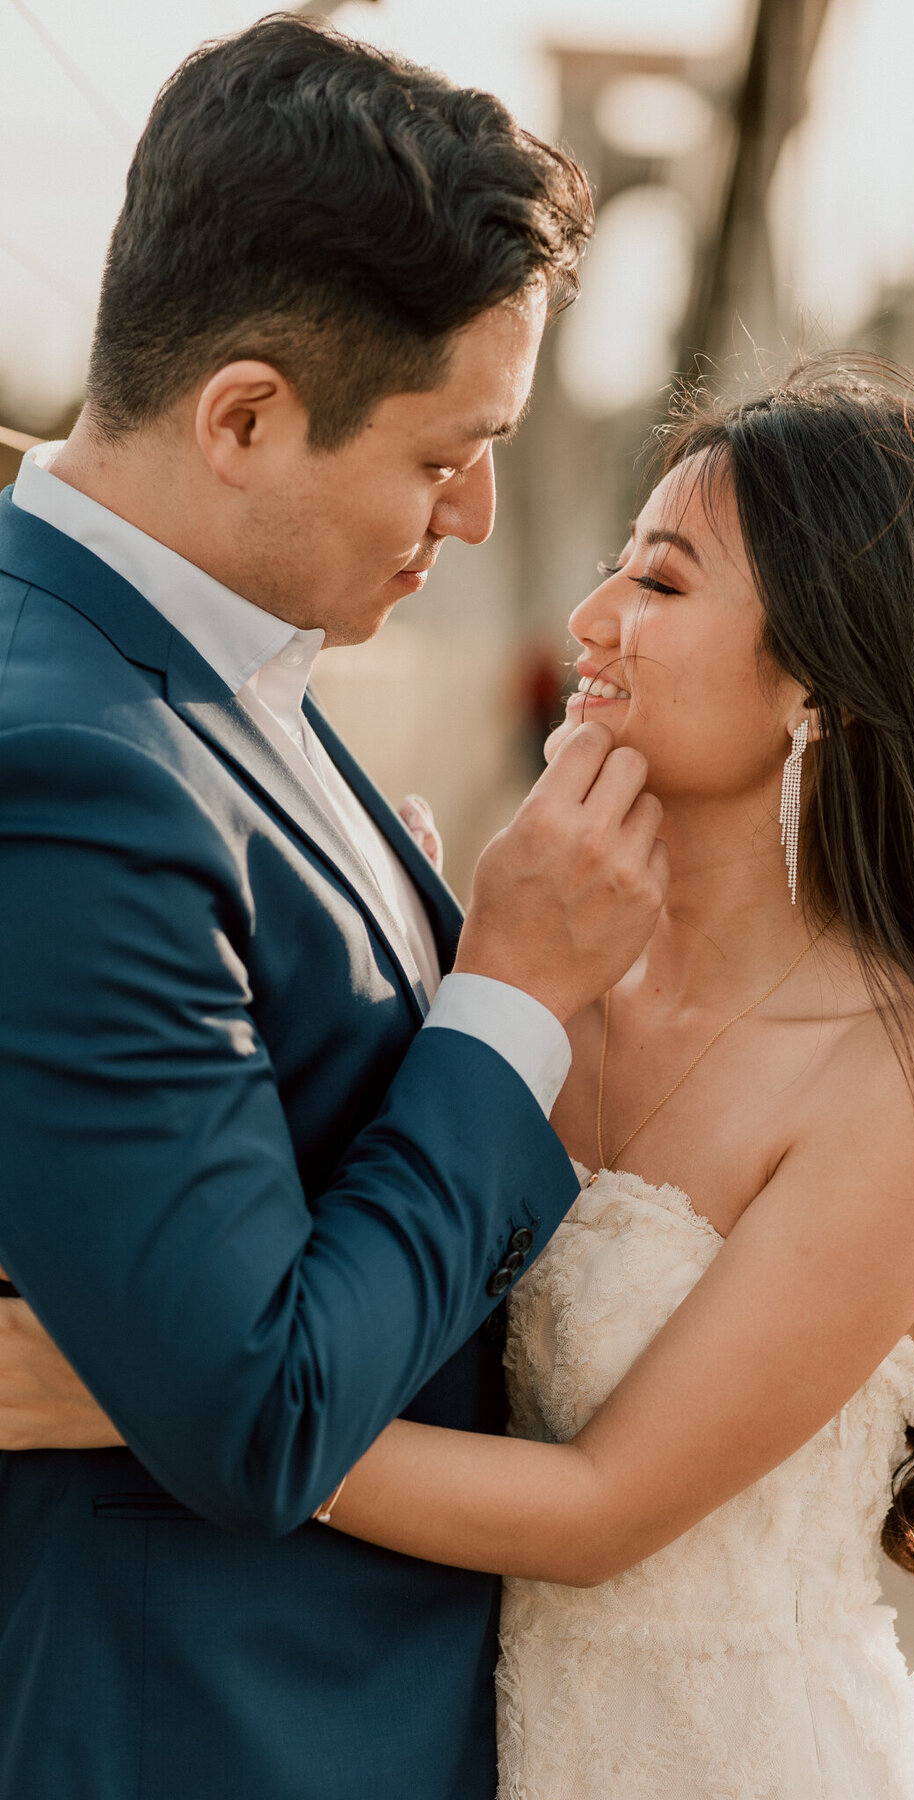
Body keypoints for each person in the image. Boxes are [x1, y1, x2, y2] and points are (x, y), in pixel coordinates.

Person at [4, 360, 914, 1796]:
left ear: (826, 679)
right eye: (614, 569)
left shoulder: (912, 1082)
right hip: (484, 1742)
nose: (591, 622)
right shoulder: (519, 985)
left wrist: (151, 1402)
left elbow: (602, 1511)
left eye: (660, 587)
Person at [0, 17, 670, 1800]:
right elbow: (261, 1412)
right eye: (448, 449)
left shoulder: (217, 662)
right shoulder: (68, 771)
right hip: (220, 1735)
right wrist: (510, 994)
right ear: (242, 416)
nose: (483, 508)